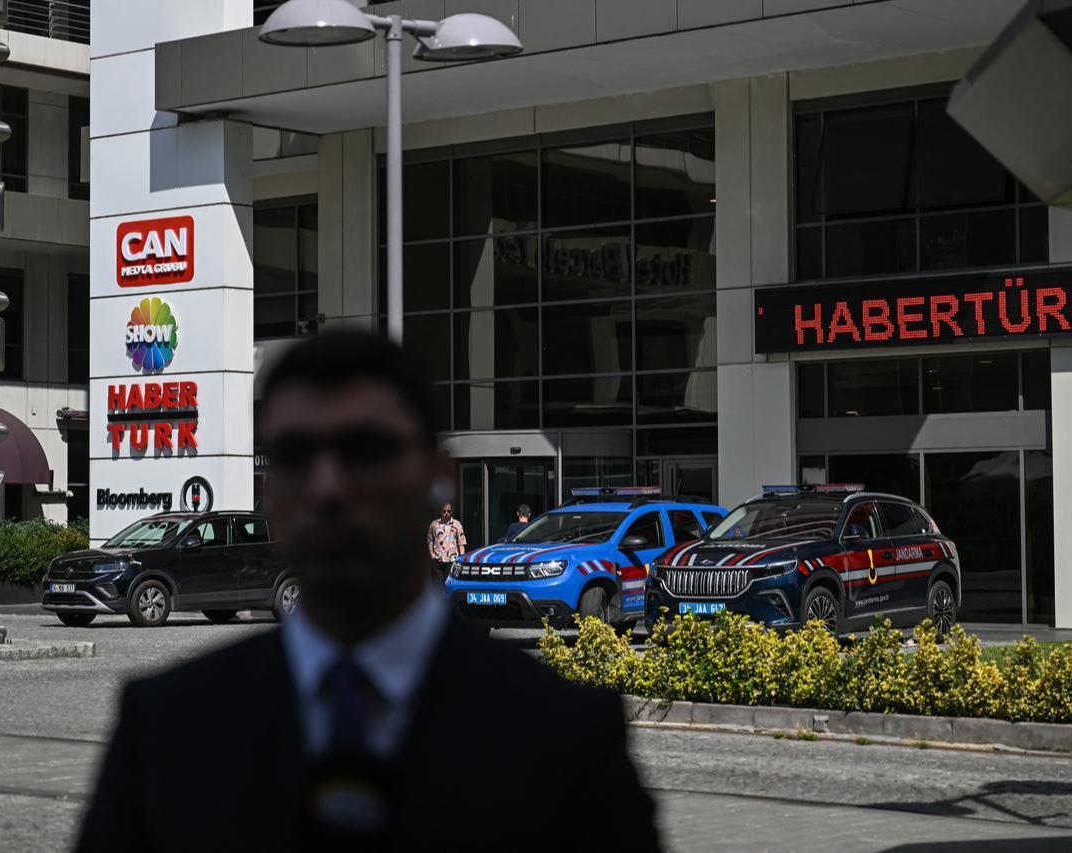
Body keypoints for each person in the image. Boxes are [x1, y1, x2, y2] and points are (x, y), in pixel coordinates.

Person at [75, 331, 659, 853]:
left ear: (439, 479)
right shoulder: (169, 731)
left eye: (364, 452)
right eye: (296, 456)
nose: (328, 488)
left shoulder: (565, 739)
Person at [426, 502, 465, 584]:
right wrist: (432, 555)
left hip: (452, 561)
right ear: (440, 512)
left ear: (451, 512)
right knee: (438, 586)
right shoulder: (434, 525)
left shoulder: (457, 524)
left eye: (449, 511)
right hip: (438, 560)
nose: (446, 513)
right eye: (444, 511)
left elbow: (461, 542)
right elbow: (430, 541)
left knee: (450, 585)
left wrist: (461, 558)